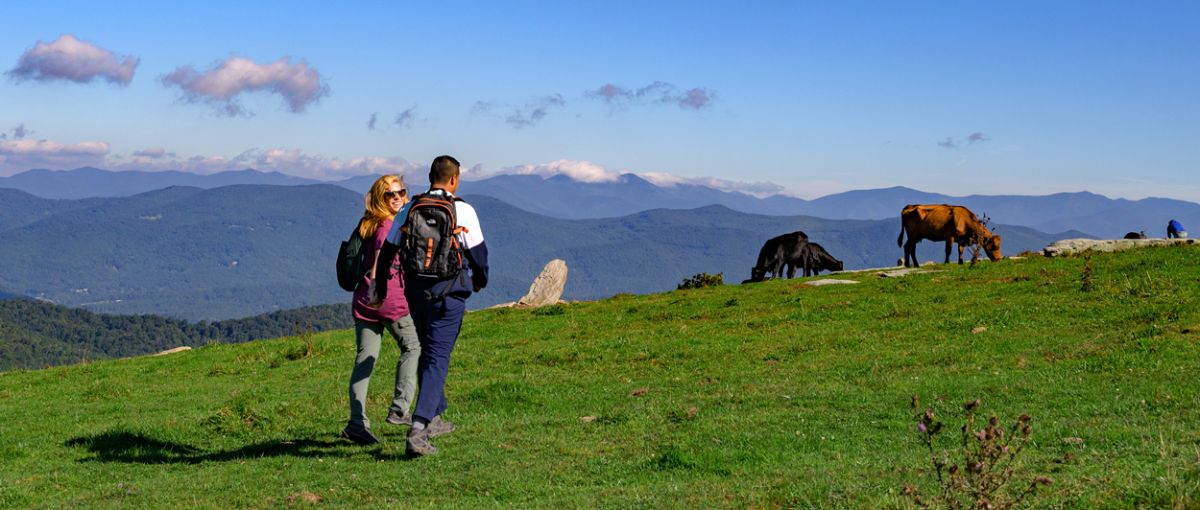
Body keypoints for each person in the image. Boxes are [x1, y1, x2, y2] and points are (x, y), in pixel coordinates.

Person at [375, 155, 488, 456]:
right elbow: (479, 255)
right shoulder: (462, 210)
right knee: (438, 358)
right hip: (448, 295)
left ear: (429, 176)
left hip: (415, 293)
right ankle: (418, 429)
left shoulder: (411, 208)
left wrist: (382, 288)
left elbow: (388, 252)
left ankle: (435, 414)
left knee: (429, 352)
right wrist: (479, 280)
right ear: (454, 179)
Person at [341, 175, 421, 445]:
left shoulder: (368, 223)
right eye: (390, 194)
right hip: (387, 299)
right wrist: (380, 290)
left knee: (365, 360)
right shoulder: (389, 226)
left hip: (363, 301)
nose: (397, 197)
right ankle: (400, 409)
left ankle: (356, 423)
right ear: (380, 198)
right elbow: (379, 260)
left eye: (401, 191)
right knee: (413, 347)